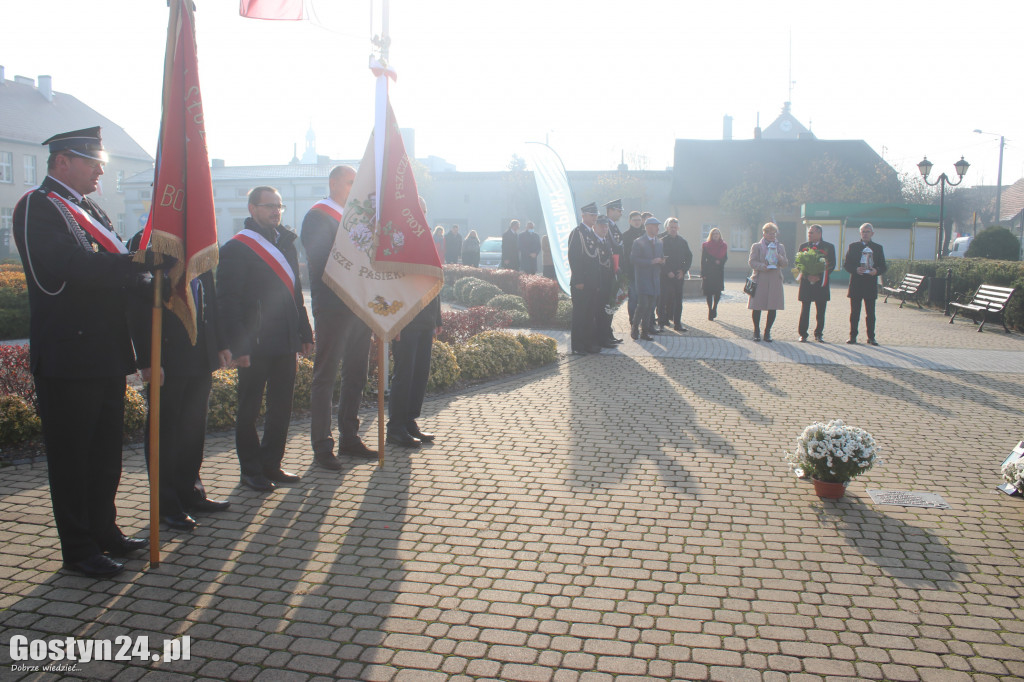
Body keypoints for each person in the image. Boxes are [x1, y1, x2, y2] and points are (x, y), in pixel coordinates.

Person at [12, 127, 166, 577]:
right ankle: (78, 548)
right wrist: (136, 262)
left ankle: (104, 531)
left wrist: (153, 279)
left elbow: (114, 273)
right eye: (92, 162)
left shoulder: (90, 208)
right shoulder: (38, 206)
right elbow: (71, 267)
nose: (101, 171)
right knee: (72, 458)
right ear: (62, 161)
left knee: (105, 455)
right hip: (69, 355)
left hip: (105, 353)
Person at [128, 231, 232, 533]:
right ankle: (166, 503)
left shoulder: (198, 237)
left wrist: (220, 344)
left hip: (199, 353)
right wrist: (148, 358)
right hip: (167, 355)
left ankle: (191, 492)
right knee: (165, 432)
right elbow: (137, 305)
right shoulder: (148, 241)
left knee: (192, 429)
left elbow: (209, 297)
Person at [218, 186, 313, 492]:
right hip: (254, 343)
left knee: (281, 406)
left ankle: (272, 463)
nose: (275, 211)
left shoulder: (285, 243)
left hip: (285, 339)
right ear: (252, 208)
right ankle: (250, 469)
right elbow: (228, 302)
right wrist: (238, 345)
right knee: (249, 409)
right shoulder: (236, 248)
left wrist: (304, 331)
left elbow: (295, 294)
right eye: (269, 205)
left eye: (279, 206)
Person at [300, 165, 376, 471]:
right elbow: (321, 262)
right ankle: (322, 445)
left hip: (360, 307)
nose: (354, 188)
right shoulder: (318, 216)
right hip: (333, 307)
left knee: (357, 374)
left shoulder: (357, 217)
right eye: (349, 182)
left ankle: (350, 438)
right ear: (333, 183)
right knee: (326, 377)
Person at [387, 197, 443, 447]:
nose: (423, 215)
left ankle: (410, 421)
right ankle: (395, 427)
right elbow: (392, 283)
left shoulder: (427, 239)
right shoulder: (397, 240)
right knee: (404, 374)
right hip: (406, 319)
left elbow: (435, 280)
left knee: (419, 374)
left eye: (425, 210)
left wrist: (437, 318)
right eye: (418, 210)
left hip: (426, 318)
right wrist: (394, 321)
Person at [843, 222, 886, 345]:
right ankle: (852, 336)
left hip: (870, 284)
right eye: (863, 232)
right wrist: (855, 269)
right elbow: (846, 264)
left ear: (872, 233)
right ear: (860, 233)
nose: (865, 234)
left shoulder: (878, 248)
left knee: (870, 313)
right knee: (854, 313)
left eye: (867, 232)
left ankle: (871, 337)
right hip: (856, 283)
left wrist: (876, 271)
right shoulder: (853, 246)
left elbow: (883, 266)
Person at [567, 203, 602, 354]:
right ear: (583, 216)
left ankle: (588, 344)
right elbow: (574, 258)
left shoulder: (591, 233)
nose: (594, 218)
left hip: (592, 282)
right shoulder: (577, 233)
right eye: (592, 215)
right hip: (581, 282)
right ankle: (577, 346)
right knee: (580, 315)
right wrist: (579, 280)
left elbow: (595, 260)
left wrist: (597, 281)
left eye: (595, 215)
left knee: (589, 314)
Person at [747, 222, 788, 342]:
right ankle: (756, 331)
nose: (772, 236)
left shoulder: (780, 247)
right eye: (769, 233)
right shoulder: (757, 246)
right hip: (760, 278)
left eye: (774, 233)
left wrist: (779, 257)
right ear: (764, 234)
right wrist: (761, 266)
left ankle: (767, 332)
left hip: (775, 279)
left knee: (773, 306)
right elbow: (752, 262)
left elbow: (785, 263)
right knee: (757, 306)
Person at [796, 224, 837, 342]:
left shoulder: (829, 247)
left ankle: (818, 334)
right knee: (805, 309)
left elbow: (832, 264)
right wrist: (808, 275)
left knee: (821, 310)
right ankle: (803, 334)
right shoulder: (803, 246)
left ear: (819, 233)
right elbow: (798, 263)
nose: (809, 235)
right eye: (809, 233)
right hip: (806, 282)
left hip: (821, 283)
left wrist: (819, 276)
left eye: (811, 233)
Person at [631, 217, 665, 341]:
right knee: (642, 306)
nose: (658, 229)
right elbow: (633, 259)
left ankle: (644, 332)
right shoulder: (638, 242)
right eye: (656, 226)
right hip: (643, 279)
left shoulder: (659, 242)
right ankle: (634, 328)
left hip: (655, 279)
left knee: (650, 308)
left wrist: (662, 261)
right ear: (648, 227)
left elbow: (661, 256)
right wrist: (651, 261)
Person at [657, 217, 692, 332]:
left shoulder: (682, 242)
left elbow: (689, 257)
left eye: (675, 227)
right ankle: (661, 323)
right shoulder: (661, 241)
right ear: (667, 228)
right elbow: (660, 258)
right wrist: (667, 271)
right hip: (665, 275)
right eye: (671, 227)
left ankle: (677, 324)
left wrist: (683, 271)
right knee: (662, 300)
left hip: (678, 275)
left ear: (678, 228)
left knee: (678, 301)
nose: (673, 229)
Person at [593, 216, 619, 347]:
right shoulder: (593, 242)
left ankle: (607, 335)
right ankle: (601, 339)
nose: (604, 229)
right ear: (595, 227)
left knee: (608, 311)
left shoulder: (606, 241)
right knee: (600, 312)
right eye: (601, 226)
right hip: (599, 282)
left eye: (606, 226)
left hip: (609, 282)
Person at [620, 210, 645, 325]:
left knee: (645, 299)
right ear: (630, 221)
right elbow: (624, 256)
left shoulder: (646, 234)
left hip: (645, 272)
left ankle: (646, 322)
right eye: (634, 220)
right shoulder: (625, 236)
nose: (637, 222)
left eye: (639, 220)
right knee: (633, 298)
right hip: (632, 272)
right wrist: (625, 272)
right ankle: (633, 321)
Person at [701, 227, 728, 321]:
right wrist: (703, 272)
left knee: (717, 292)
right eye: (714, 234)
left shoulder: (723, 245)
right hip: (709, 271)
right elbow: (703, 260)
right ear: (711, 235)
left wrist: (720, 262)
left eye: (717, 233)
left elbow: (725, 257)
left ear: (719, 235)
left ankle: (715, 307)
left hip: (718, 271)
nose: (715, 235)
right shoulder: (706, 245)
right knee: (708, 292)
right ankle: (710, 310)